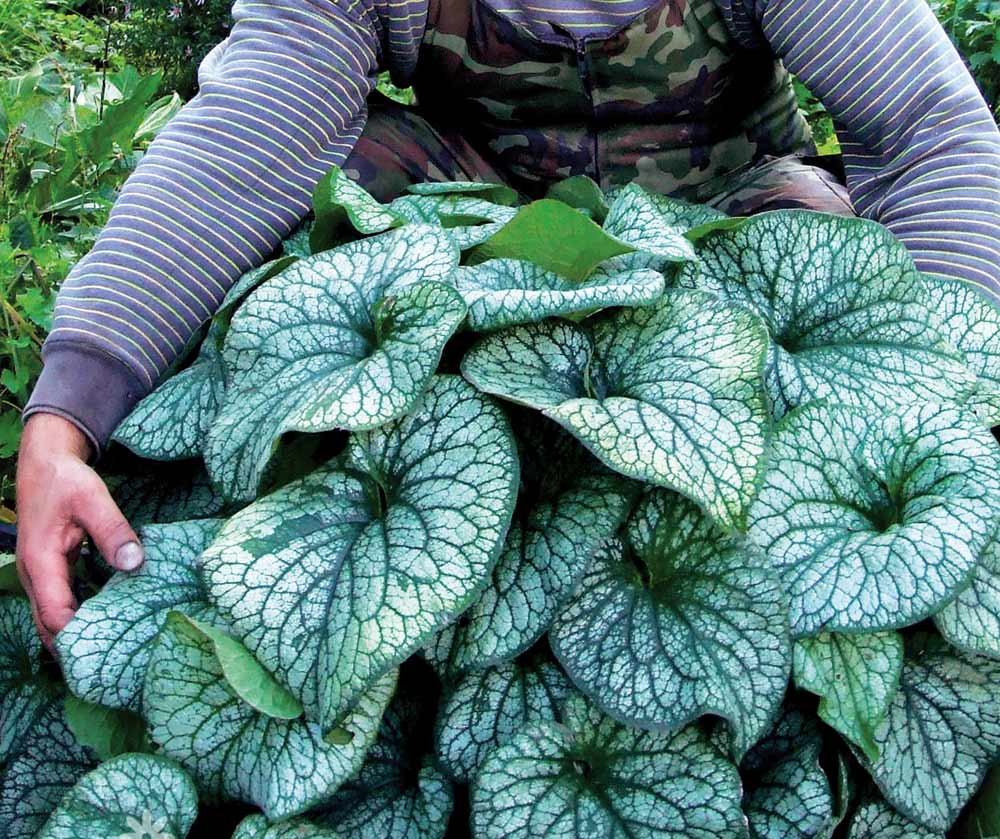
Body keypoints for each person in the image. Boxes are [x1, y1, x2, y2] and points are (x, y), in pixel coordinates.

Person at [16, 0, 1000, 648]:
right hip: (489, 237)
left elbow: (927, 131)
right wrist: (69, 410)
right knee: (340, 175)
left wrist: (952, 398)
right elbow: (247, 143)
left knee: (820, 242)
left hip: (727, 225)